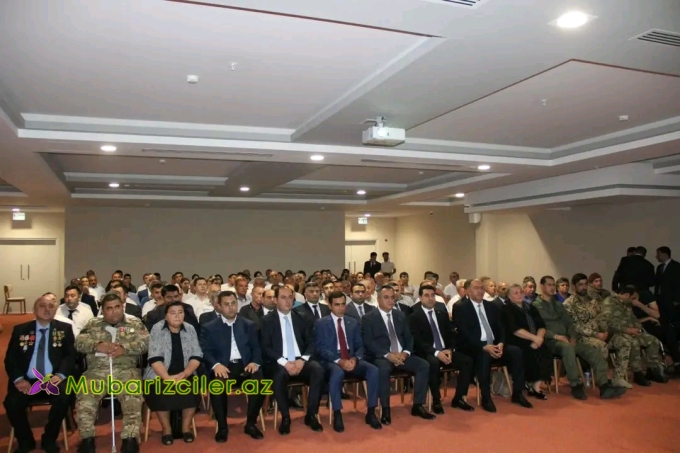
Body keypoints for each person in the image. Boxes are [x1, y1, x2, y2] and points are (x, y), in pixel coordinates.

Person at [75, 292, 150, 453]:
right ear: (103, 310)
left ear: (122, 307)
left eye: (117, 307)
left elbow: (145, 342)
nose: (114, 311)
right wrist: (97, 345)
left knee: (132, 395)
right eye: (109, 308)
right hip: (96, 371)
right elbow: (79, 342)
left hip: (126, 370)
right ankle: (87, 439)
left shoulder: (134, 323)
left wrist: (125, 349)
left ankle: (130, 438)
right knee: (85, 396)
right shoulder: (93, 323)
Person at [533, 276, 625, 400]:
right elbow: (537, 327)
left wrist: (573, 337)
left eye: (553, 284)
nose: (552, 287)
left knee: (593, 352)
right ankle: (576, 384)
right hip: (550, 341)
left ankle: (604, 386)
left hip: (567, 339)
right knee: (567, 348)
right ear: (542, 286)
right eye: (549, 284)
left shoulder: (558, 304)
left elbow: (569, 323)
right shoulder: (535, 305)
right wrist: (556, 336)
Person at [4, 296, 76, 453]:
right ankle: (25, 440)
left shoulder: (64, 329)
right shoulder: (20, 330)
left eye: (51, 306)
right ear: (35, 310)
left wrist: (60, 375)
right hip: (27, 380)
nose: (47, 309)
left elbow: (70, 356)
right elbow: (10, 359)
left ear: (55, 310)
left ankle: (49, 438)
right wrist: (18, 379)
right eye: (42, 306)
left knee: (64, 397)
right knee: (11, 403)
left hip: (54, 379)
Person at [453, 279, 532, 413]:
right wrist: (484, 346)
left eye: (481, 288)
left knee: (516, 352)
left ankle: (518, 393)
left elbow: (501, 328)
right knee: (484, 356)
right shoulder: (460, 307)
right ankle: (486, 397)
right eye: (476, 288)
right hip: (474, 347)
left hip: (494, 344)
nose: (480, 291)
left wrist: (501, 343)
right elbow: (464, 333)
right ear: (468, 291)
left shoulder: (491, 306)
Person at [362, 286, 435, 424]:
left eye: (392, 297)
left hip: (402, 355)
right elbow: (368, 342)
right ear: (378, 299)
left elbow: (409, 337)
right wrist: (387, 354)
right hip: (382, 356)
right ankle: (385, 409)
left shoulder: (400, 315)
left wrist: (405, 353)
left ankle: (418, 405)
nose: (390, 300)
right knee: (383, 370)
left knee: (423, 365)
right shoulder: (368, 318)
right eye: (386, 297)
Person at [201, 291, 266, 442]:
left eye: (233, 303)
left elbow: (256, 348)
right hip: (223, 367)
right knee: (217, 385)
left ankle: (251, 424)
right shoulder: (209, 327)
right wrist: (216, 365)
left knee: (259, 381)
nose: (231, 307)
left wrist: (254, 362)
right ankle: (223, 427)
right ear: (219, 306)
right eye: (226, 304)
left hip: (245, 366)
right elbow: (205, 351)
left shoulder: (248, 325)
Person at [260, 286, 324, 435]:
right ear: (275, 300)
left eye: (290, 297)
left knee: (318, 370)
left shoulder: (302, 317)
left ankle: (311, 415)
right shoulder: (266, 320)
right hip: (279, 362)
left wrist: (302, 360)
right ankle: (286, 417)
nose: (288, 301)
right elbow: (265, 347)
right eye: (283, 298)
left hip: (300, 360)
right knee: (278, 375)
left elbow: (312, 342)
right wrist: (285, 363)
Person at [314, 291, 382, 432]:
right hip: (332, 360)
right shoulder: (321, 323)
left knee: (373, 370)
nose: (341, 308)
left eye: (343, 304)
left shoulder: (353, 322)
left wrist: (355, 358)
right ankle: (337, 413)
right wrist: (339, 360)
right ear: (330, 305)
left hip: (351, 357)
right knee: (337, 373)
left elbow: (359, 345)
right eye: (337, 305)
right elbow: (320, 348)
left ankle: (371, 412)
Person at [408, 285, 475, 413]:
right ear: (420, 298)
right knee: (433, 363)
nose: (430, 298)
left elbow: (451, 334)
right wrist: (436, 352)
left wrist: (450, 349)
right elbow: (417, 341)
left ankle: (459, 398)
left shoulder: (442, 314)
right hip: (428, 352)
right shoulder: (414, 317)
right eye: (427, 295)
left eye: (433, 295)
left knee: (467, 361)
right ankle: (436, 400)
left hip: (445, 350)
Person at [144, 301, 202, 445]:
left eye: (180, 312)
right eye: (173, 313)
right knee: (160, 389)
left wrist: (186, 373)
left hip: (185, 372)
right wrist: (167, 378)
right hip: (159, 374)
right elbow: (154, 358)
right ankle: (167, 429)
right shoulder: (157, 328)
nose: (177, 316)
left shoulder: (190, 328)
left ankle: (186, 428)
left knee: (193, 387)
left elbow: (197, 355)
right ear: (166, 316)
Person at [564, 273, 631, 389]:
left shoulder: (593, 300)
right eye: (580, 285)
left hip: (601, 334)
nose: (584, 287)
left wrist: (605, 332)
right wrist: (596, 334)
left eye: (585, 284)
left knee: (624, 341)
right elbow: (575, 326)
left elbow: (602, 317)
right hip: (582, 338)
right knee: (602, 346)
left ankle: (618, 378)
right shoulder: (568, 304)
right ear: (574, 286)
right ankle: (604, 381)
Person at [603, 287, 668, 385]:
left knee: (653, 340)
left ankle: (652, 370)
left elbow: (634, 319)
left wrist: (638, 329)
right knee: (634, 342)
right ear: (626, 295)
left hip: (630, 332)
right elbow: (607, 323)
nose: (633, 301)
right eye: (632, 298)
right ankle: (637, 373)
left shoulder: (627, 304)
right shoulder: (609, 302)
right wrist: (627, 330)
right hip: (615, 335)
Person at [501, 285, 552, 400]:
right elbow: (515, 330)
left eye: (521, 292)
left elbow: (541, 325)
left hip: (535, 339)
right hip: (516, 340)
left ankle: (536, 386)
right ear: (509, 296)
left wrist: (539, 338)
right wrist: (534, 339)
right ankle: (527, 382)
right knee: (529, 352)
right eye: (516, 293)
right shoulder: (506, 309)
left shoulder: (530, 307)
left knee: (546, 351)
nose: (519, 294)